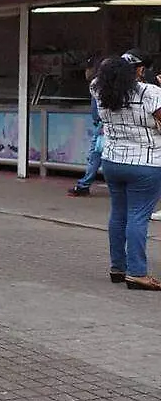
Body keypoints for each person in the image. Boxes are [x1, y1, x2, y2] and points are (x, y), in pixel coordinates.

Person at [95, 51, 161, 290]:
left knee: (118, 214)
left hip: (112, 162)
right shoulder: (151, 93)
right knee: (138, 217)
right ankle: (137, 273)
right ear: (139, 71)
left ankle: (118, 267)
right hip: (146, 163)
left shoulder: (99, 90)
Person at [68, 56, 104, 197]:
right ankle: (84, 184)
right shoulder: (106, 83)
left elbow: (98, 110)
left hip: (102, 126)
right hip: (105, 125)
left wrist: (100, 123)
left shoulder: (96, 84)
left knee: (95, 155)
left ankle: (84, 185)